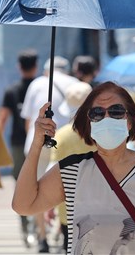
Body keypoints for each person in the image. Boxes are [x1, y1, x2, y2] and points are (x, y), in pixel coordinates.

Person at [12, 81, 135, 254]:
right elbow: (23, 205)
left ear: (130, 121)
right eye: (97, 113)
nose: (106, 118)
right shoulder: (70, 170)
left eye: (116, 111)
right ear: (89, 123)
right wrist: (36, 144)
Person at [20, 55, 79, 252]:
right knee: (64, 190)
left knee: (35, 192)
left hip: (37, 144)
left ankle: (43, 237)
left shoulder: (37, 83)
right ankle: (62, 232)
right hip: (63, 142)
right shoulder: (75, 83)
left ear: (46, 70)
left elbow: (29, 120)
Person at [0, 49, 38, 245]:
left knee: (21, 183)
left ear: (19, 67)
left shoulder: (11, 90)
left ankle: (25, 224)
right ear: (36, 66)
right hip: (39, 142)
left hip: (17, 142)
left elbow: (2, 118)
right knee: (41, 180)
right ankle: (40, 227)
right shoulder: (41, 87)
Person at [53, 81, 96, 251]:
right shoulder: (101, 133)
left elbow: (53, 172)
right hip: (100, 205)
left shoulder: (61, 136)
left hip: (68, 207)